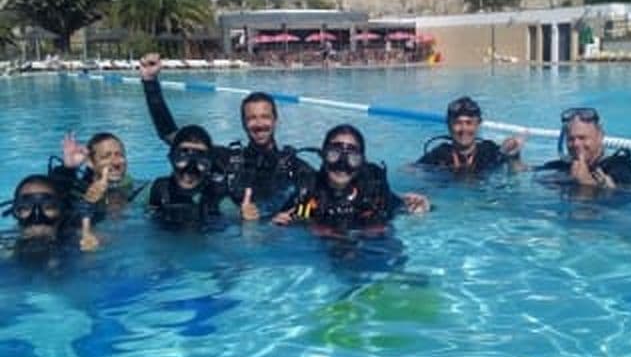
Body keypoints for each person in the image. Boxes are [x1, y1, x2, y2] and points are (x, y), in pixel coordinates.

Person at [139, 53, 315, 220]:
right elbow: (171, 136)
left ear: (275, 120)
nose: (259, 124)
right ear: (243, 123)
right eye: (252, 118)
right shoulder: (227, 160)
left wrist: (294, 220)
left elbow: (321, 197)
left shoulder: (296, 167)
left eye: (265, 117)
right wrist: (150, 83)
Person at [273, 124, 430, 234]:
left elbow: (406, 208)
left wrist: (420, 205)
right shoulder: (308, 192)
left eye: (352, 158)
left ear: (362, 162)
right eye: (334, 154)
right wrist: (274, 226)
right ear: (323, 156)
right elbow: (275, 223)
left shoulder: (373, 190)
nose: (342, 165)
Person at [535, 107, 631, 190]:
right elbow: (527, 171)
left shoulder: (620, 168)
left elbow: (622, 205)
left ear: (600, 136)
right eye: (571, 139)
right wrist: (517, 158)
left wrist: (587, 183)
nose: (576, 144)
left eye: (582, 138)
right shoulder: (562, 166)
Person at [416, 96, 525, 176]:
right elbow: (410, 171)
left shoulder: (489, 151)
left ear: (478, 125)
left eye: (469, 123)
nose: (464, 129)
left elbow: (518, 172)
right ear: (449, 126)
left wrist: (515, 155)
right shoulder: (439, 155)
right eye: (457, 123)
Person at [148, 125, 229, 228]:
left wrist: (248, 221)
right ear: (171, 158)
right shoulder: (160, 189)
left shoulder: (218, 194)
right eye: (182, 157)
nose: (191, 168)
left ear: (210, 164)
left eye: (201, 160)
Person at [2, 175, 70, 259]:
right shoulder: (3, 248)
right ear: (16, 213)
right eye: (26, 208)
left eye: (48, 207)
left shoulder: (82, 242)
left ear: (62, 213)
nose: (37, 220)